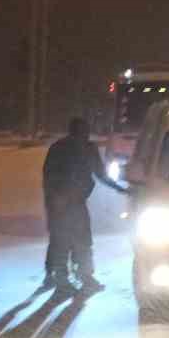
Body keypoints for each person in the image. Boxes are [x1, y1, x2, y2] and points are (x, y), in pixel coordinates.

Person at [42, 116, 126, 292]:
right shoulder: (63, 148)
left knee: (77, 239)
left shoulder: (85, 148)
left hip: (74, 201)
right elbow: (50, 177)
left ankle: (80, 275)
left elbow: (99, 173)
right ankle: (61, 276)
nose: (85, 135)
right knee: (63, 239)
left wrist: (119, 188)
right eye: (83, 132)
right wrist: (56, 198)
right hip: (62, 201)